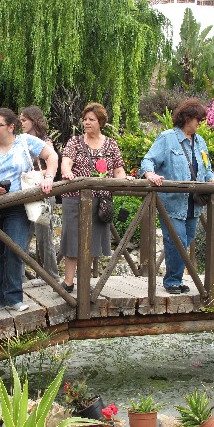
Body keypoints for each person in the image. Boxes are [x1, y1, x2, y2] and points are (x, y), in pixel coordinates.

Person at [139, 99, 214, 294]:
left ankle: (176, 278)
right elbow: (148, 160)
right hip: (171, 203)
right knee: (176, 240)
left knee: (185, 240)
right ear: (187, 117)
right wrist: (150, 174)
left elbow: (206, 169)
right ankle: (172, 281)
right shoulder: (167, 138)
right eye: (199, 119)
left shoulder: (200, 142)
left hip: (194, 204)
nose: (201, 123)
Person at [0, 108, 58, 315]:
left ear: (11, 127)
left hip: (18, 206)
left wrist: (48, 177)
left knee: (15, 249)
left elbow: (52, 156)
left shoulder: (25, 141)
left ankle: (13, 297)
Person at [59, 102, 131, 293]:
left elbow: (118, 169)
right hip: (74, 197)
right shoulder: (74, 142)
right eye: (85, 119)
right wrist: (67, 173)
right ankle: (68, 282)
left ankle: (84, 281)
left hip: (101, 201)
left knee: (92, 242)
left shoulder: (111, 144)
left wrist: (124, 179)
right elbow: (66, 162)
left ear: (101, 122)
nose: (86, 123)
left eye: (91, 119)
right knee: (72, 239)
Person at [19, 106, 61, 285]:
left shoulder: (45, 142)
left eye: (24, 120)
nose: (20, 123)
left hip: (40, 192)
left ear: (34, 121)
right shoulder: (20, 141)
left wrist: (41, 177)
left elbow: (51, 165)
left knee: (44, 236)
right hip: (25, 191)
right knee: (23, 235)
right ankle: (19, 277)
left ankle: (51, 276)